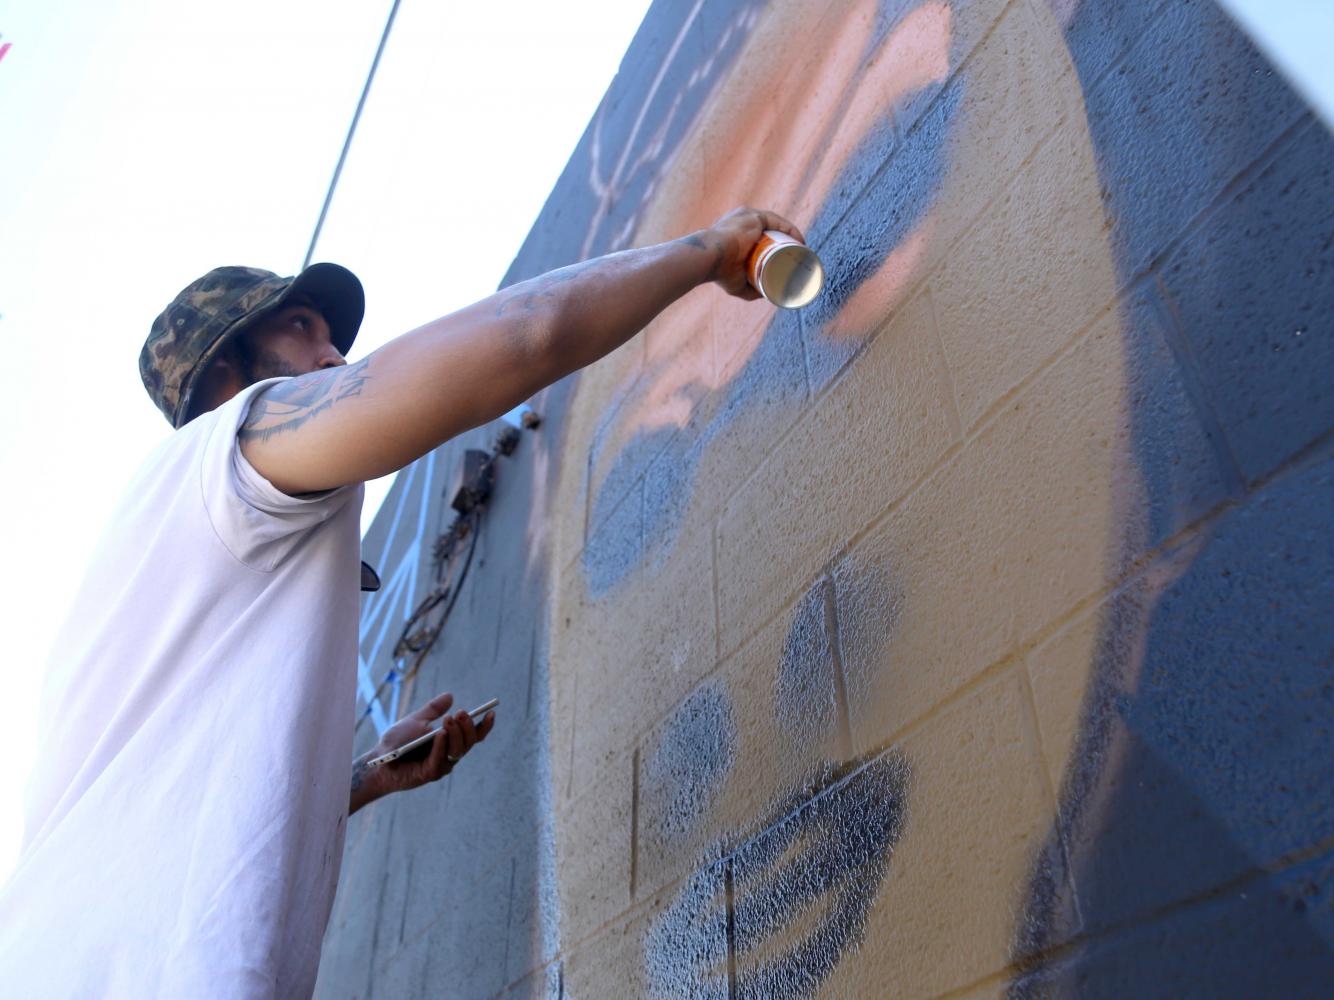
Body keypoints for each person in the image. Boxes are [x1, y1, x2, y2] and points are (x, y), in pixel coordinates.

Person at [0, 207, 804, 997]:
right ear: (221, 376)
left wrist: (355, 782)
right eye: (303, 327)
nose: (333, 352)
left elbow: (170, 818)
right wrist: (707, 252)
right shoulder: (224, 456)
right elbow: (531, 335)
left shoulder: (151, 567)